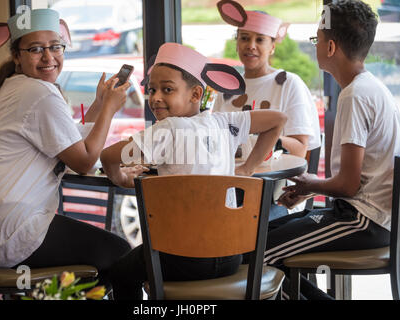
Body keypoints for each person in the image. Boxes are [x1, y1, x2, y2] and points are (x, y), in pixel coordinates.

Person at [0, 9, 142, 287]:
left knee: (104, 263)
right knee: (121, 254)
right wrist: (109, 107)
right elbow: (83, 162)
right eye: (35, 49)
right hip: (12, 232)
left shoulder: (14, 88)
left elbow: (71, 144)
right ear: (17, 56)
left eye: (55, 47)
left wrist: (98, 103)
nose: (48, 57)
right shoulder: (38, 92)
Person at [100, 42, 287, 299]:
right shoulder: (223, 122)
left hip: (183, 260)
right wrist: (246, 169)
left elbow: (108, 156)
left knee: (120, 271)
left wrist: (123, 179)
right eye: (152, 89)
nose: (155, 98)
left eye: (167, 90)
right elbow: (278, 120)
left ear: (196, 94)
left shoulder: (168, 129)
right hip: (231, 255)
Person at [265, 0, 400, 299]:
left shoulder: (355, 96)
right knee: (263, 239)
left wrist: (310, 183)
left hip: (363, 221)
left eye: (317, 39)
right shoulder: (370, 88)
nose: (315, 46)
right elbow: (359, 179)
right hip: (364, 215)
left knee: (258, 257)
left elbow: (349, 185)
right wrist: (310, 189)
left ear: (330, 48)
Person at [214, 0, 322, 219]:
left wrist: (267, 139)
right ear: (236, 43)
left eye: (259, 39)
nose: (250, 45)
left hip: (275, 195)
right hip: (229, 187)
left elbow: (301, 149)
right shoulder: (226, 89)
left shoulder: (288, 83)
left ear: (272, 45)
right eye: (244, 38)